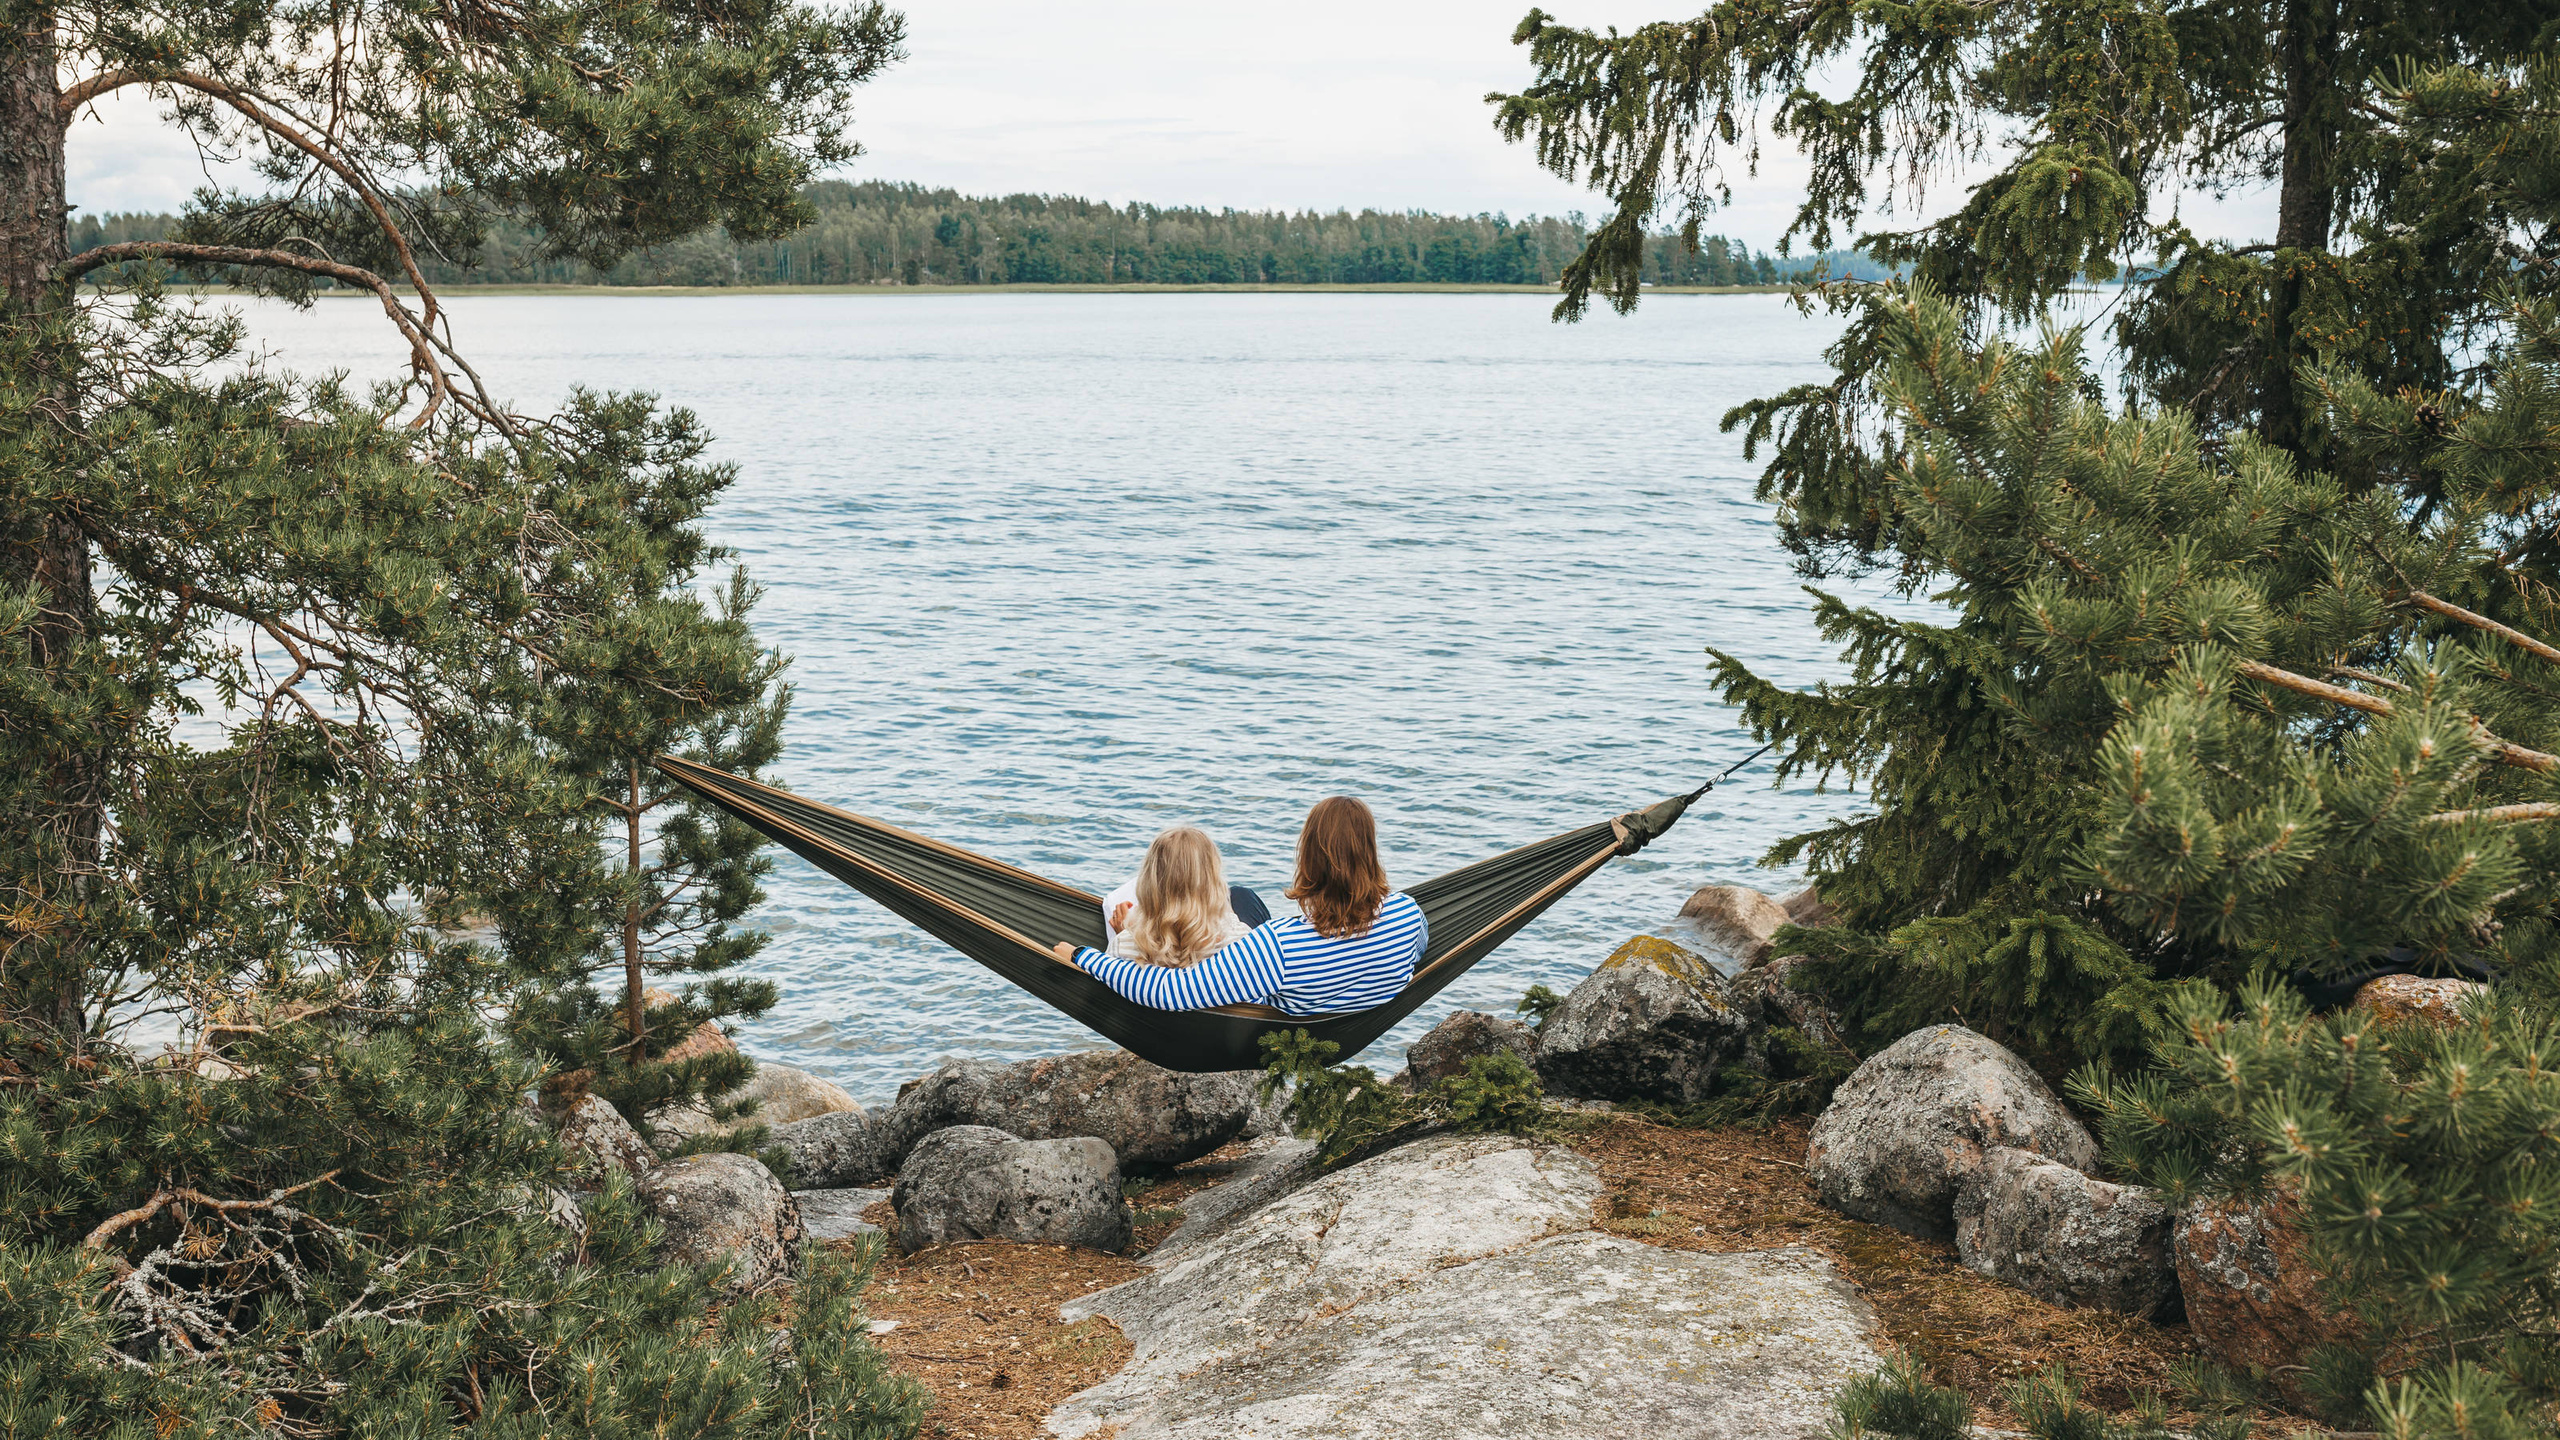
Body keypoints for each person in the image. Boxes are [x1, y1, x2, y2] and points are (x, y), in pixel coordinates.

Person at [1053, 796, 1426, 1015]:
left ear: (1307, 858)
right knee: (1241, 898)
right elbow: (1415, 953)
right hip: (1357, 1014)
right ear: (1371, 852)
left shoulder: (1276, 945)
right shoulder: (1408, 914)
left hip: (1274, 1027)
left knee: (1241, 897)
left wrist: (1085, 955)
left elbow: (1169, 992)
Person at [1099, 825, 1259, 967]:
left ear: (1147, 885)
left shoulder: (1121, 946)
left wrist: (1127, 932)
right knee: (1242, 895)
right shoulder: (1241, 941)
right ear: (1214, 883)